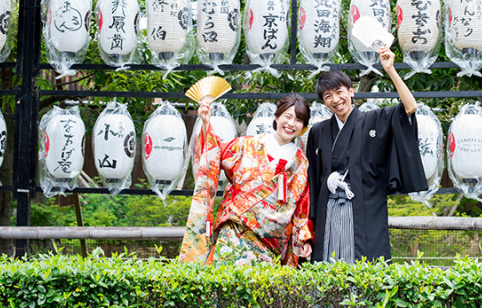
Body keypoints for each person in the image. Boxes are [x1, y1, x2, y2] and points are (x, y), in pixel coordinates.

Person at [306, 47, 426, 263]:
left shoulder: (375, 120)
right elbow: (313, 182)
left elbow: (410, 107)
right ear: (324, 102)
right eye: (327, 96)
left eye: (339, 91)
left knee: (365, 271)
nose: (335, 99)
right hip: (329, 212)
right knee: (328, 267)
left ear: (351, 91)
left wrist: (390, 70)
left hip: (366, 211)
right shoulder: (318, 131)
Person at [179, 94, 313, 266]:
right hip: (236, 229)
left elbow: (302, 207)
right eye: (287, 116)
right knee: (225, 283)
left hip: (272, 242)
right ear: (277, 117)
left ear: (303, 126)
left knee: (259, 290)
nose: (291, 124)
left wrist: (305, 238)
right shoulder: (247, 145)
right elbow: (214, 153)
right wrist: (206, 123)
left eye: (299, 120)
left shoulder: (301, 163)